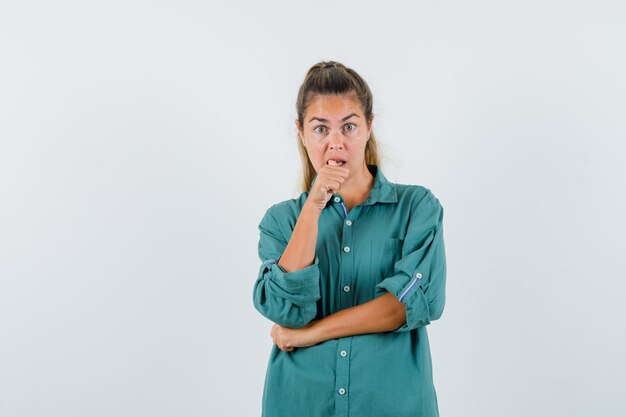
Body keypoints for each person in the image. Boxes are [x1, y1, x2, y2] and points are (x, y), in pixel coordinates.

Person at [252, 61, 447, 417]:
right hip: (301, 403)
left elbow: (405, 306)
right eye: (320, 129)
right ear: (301, 132)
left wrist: (311, 335)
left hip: (393, 405)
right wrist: (313, 205)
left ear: (369, 126)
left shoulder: (417, 207)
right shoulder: (281, 221)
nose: (336, 143)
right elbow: (285, 311)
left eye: (350, 126)